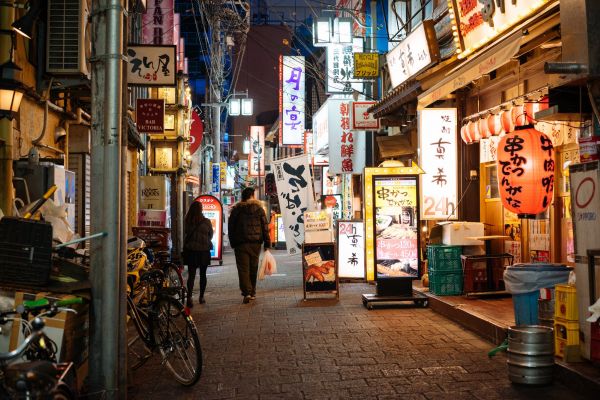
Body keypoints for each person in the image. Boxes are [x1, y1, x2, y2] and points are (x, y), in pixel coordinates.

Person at [228, 187, 270, 304]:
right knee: (253, 267)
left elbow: (231, 227)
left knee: (243, 269)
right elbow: (264, 227)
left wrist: (233, 242)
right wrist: (267, 243)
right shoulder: (259, 209)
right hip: (255, 244)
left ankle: (246, 292)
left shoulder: (236, 210)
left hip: (241, 244)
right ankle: (252, 292)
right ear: (252, 196)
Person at [183, 201, 213, 308]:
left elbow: (186, 233)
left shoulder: (187, 221)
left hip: (191, 251)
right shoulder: (206, 221)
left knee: (191, 275)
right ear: (201, 210)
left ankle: (189, 297)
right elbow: (211, 235)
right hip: (204, 251)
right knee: (203, 274)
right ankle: (201, 297)